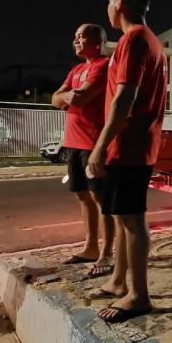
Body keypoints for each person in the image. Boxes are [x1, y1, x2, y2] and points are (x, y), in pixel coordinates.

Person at [87, 0, 167, 323]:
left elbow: (125, 97)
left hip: (129, 145)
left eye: (109, 1)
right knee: (121, 215)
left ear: (119, 4)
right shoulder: (150, 42)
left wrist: (100, 145)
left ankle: (139, 295)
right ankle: (120, 281)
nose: (106, 7)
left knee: (132, 219)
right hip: (137, 143)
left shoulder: (133, 41)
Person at [52, 24, 115, 278]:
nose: (75, 40)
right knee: (82, 195)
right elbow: (54, 98)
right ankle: (90, 247)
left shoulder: (103, 66)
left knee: (101, 199)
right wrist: (67, 96)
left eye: (81, 36)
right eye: (75, 36)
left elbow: (79, 99)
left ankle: (107, 253)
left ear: (98, 41)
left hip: (93, 143)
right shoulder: (77, 69)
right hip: (73, 143)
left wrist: (67, 97)